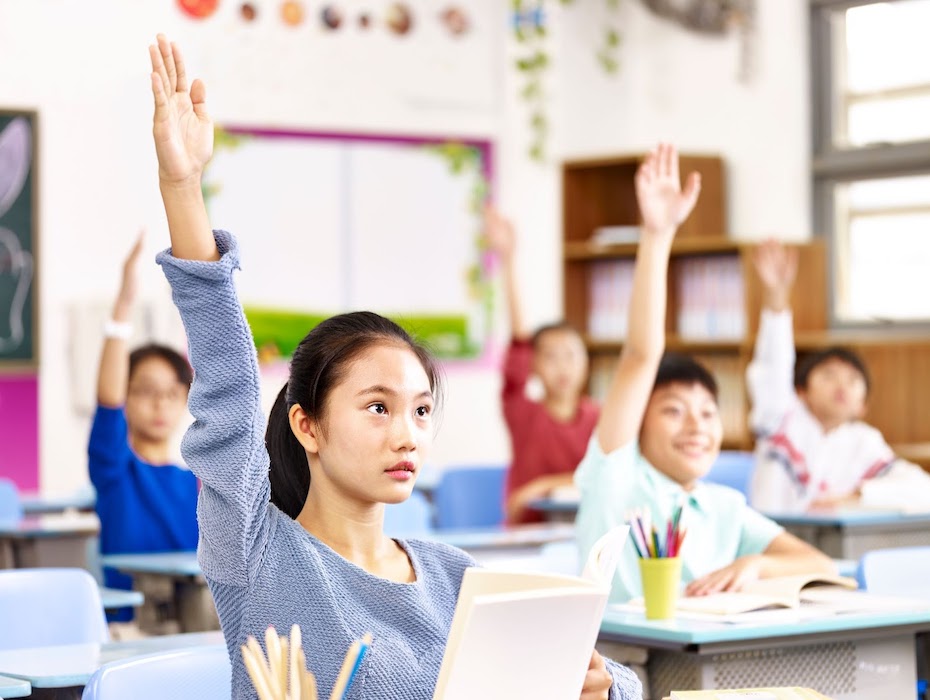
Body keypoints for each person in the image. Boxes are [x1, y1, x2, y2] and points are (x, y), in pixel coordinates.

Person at [147, 34, 641, 700]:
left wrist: (602, 686)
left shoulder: (455, 576)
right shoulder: (258, 552)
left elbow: (627, 685)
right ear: (308, 425)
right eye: (377, 407)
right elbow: (227, 381)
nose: (406, 433)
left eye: (421, 410)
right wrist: (183, 187)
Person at [573, 145, 834, 603]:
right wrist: (658, 236)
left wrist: (755, 563)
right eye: (674, 411)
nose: (697, 426)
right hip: (623, 665)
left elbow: (819, 565)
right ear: (639, 421)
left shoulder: (722, 506)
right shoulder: (616, 476)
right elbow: (640, 354)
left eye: (708, 413)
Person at [746, 240, 930, 513]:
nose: (842, 385)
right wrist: (776, 298)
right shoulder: (781, 417)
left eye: (854, 381)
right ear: (802, 391)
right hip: (772, 545)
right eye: (829, 375)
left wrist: (858, 495)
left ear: (862, 405)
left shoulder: (863, 441)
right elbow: (773, 364)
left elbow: (923, 491)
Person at [88, 232, 199, 621]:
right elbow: (107, 403)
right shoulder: (115, 470)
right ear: (126, 396)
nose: (160, 403)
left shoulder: (197, 482)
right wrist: (123, 307)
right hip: (131, 629)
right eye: (147, 391)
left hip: (191, 625)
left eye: (171, 393)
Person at [484, 205, 598, 524]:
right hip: (525, 536)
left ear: (586, 362)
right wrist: (508, 260)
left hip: (582, 533)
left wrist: (541, 486)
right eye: (550, 356)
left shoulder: (599, 417)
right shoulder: (523, 412)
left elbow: (607, 477)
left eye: (572, 355)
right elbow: (520, 340)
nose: (563, 366)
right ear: (533, 365)